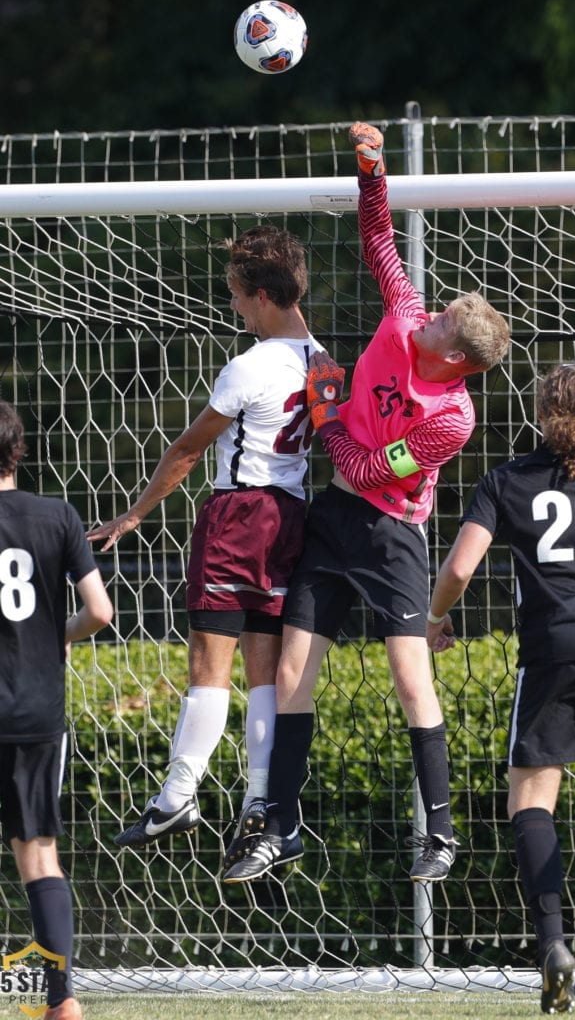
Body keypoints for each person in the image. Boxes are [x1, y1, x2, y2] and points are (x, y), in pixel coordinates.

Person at [222, 122, 510, 886]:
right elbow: (378, 234)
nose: (431, 313)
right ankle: (279, 827)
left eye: (444, 321)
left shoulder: (452, 414)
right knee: (291, 673)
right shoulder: (404, 313)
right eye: (441, 308)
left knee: (411, 678)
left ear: (454, 357)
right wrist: (370, 167)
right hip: (334, 519)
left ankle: (441, 835)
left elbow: (377, 467)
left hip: (391, 534)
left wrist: (327, 418)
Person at [424, 364, 575, 1012]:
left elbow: (458, 566)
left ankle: (553, 944)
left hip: (552, 651)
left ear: (541, 414)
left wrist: (434, 616)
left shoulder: (506, 480)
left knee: (530, 798)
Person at [87, 226, 324, 863]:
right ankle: (259, 803)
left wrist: (132, 516)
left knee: (207, 663)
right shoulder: (325, 362)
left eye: (239, 297)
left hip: (239, 515)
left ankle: (177, 796)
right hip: (292, 518)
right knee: (264, 671)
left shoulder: (248, 366)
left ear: (267, 297)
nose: (234, 307)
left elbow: (188, 450)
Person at [0, 401, 113, 1020]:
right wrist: (53, 636)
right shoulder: (58, 516)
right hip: (37, 712)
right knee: (39, 853)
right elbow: (100, 612)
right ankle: (61, 999)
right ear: (18, 453)